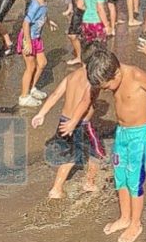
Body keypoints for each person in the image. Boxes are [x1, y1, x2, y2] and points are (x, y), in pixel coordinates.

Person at [86, 50, 146, 242]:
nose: (105, 90)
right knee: (120, 176)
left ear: (117, 74)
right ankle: (124, 217)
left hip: (139, 135)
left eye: (107, 86)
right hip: (121, 133)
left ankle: (136, 223)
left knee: (134, 180)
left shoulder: (136, 75)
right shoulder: (111, 77)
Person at [31, 43, 106, 198]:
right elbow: (84, 103)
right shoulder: (93, 80)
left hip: (63, 120)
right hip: (80, 123)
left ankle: (56, 188)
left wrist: (41, 114)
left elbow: (55, 94)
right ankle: (89, 182)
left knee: (69, 155)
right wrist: (75, 122)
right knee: (97, 153)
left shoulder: (71, 76)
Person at [18, 0, 57, 107]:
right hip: (27, 39)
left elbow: (43, 14)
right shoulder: (35, 5)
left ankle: (32, 88)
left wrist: (49, 21)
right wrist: (27, 42)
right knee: (30, 67)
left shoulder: (43, 1)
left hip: (36, 38)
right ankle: (23, 97)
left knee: (42, 63)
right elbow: (25, 23)